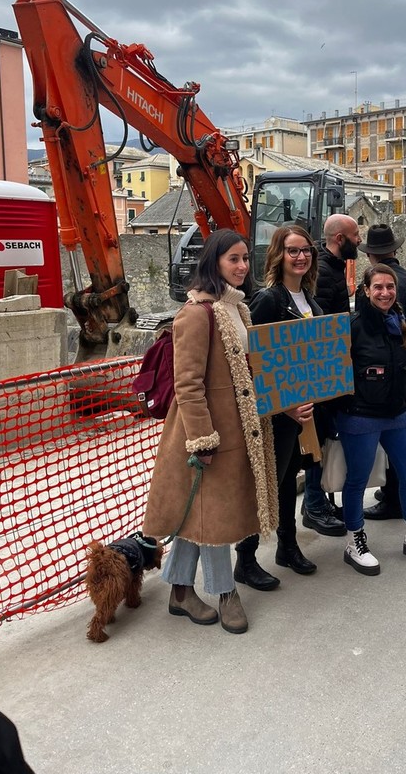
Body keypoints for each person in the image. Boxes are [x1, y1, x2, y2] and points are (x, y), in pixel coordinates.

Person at [143, 230, 278, 634]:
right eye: (232, 259)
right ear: (214, 262)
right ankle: (225, 593)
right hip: (207, 434)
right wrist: (202, 439)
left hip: (236, 431)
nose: (242, 266)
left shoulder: (235, 308)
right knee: (214, 520)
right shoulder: (196, 314)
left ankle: (180, 591)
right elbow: (188, 385)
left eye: (244, 259)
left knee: (201, 515)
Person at [336, 263, 406, 574]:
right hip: (360, 414)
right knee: (357, 479)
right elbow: (335, 371)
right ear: (366, 291)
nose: (385, 292)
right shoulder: (352, 324)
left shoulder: (399, 320)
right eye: (378, 287)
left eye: (389, 287)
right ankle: (354, 540)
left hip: (395, 412)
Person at [234, 225, 321, 590]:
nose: (300, 257)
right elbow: (254, 362)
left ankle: (288, 545)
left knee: (287, 481)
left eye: (305, 250)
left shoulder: (312, 302)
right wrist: (282, 407)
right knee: (266, 482)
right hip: (277, 413)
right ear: (278, 256)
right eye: (292, 251)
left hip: (304, 413)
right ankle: (246, 558)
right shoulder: (269, 300)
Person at [356, 224, 406, 521]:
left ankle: (393, 499)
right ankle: (395, 493)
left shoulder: (371, 287)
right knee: (404, 433)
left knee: (388, 438)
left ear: (370, 255)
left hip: (384, 376)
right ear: (395, 250)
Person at [301, 213, 362, 536]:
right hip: (322, 374)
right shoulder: (326, 273)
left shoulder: (331, 269)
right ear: (341, 239)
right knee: (319, 440)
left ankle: (320, 500)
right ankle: (314, 505)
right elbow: (320, 328)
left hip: (328, 371)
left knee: (324, 439)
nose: (359, 240)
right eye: (355, 235)